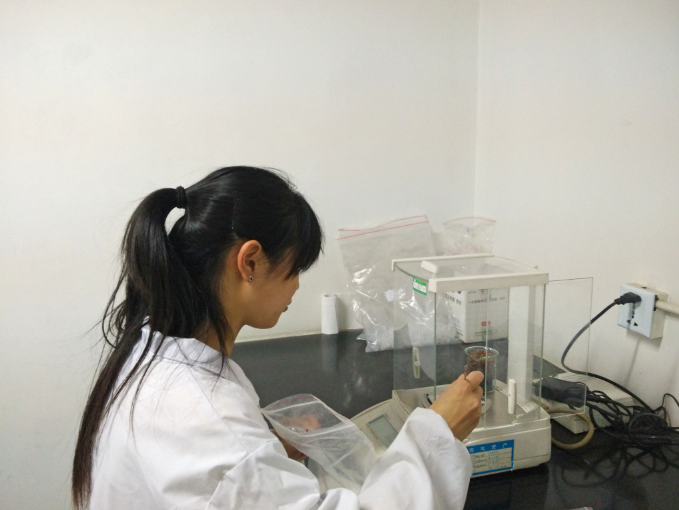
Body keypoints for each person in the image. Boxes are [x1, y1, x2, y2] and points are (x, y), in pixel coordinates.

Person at [72, 166, 484, 510]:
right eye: (295, 269)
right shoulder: (210, 420)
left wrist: (266, 452)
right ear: (250, 261)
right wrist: (435, 436)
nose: (297, 286)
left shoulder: (150, 349)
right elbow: (225, 455)